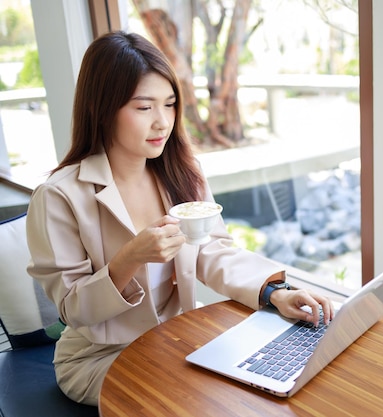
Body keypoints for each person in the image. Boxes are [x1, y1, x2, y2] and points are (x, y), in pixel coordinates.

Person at [25, 31, 334, 406]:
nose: (162, 122)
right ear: (102, 108)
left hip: (173, 336)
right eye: (144, 108)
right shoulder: (59, 196)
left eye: (169, 104)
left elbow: (213, 252)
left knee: (271, 380)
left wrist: (275, 293)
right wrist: (130, 257)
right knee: (207, 398)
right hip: (99, 356)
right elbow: (73, 311)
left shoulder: (182, 173)